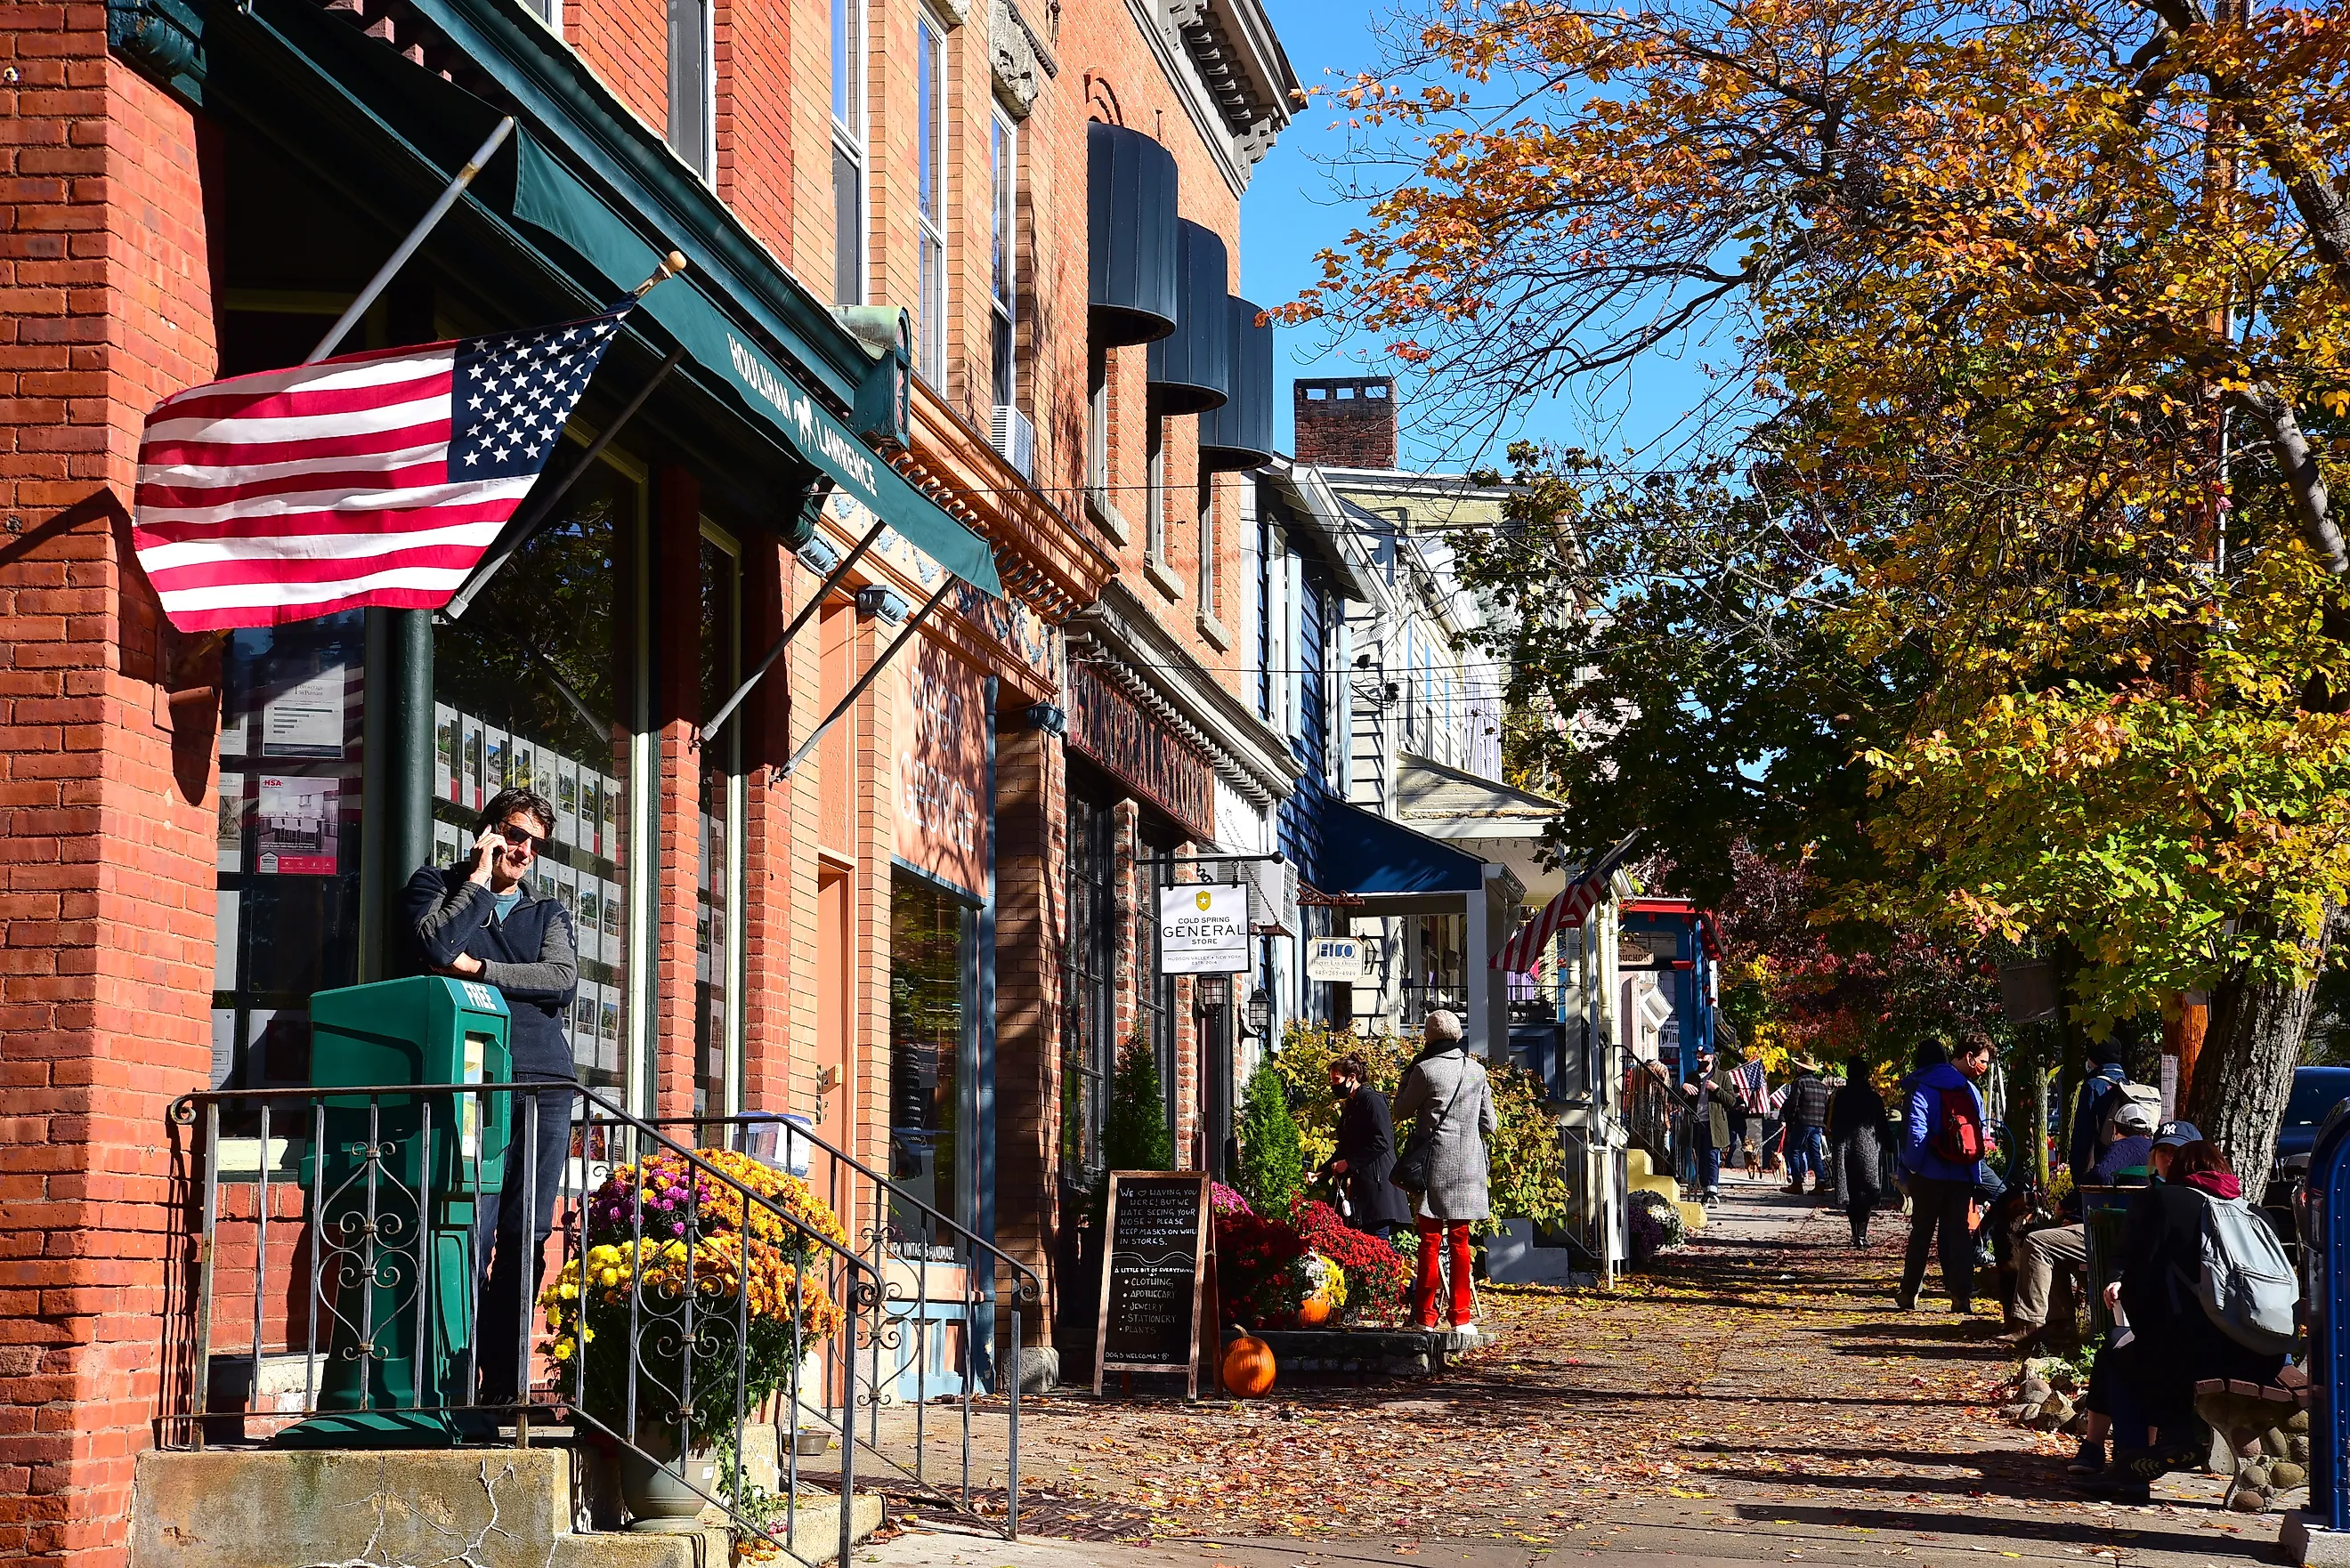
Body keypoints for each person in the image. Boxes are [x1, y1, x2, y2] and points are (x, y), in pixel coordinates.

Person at [404, 786, 579, 1407]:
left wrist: (479, 970)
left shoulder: (548, 914)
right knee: (467, 1225)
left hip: (544, 1085)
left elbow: (560, 981)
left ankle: (504, 1387)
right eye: (514, 834)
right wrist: (477, 882)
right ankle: (451, 1384)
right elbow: (432, 945)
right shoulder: (437, 885)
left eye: (535, 842)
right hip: (470, 1079)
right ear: (487, 832)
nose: (524, 850)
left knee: (526, 1233)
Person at [2081, 1137, 2292, 1501]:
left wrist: (2138, 1326)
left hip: (2198, 1353)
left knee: (2120, 1359)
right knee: (2154, 1353)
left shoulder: (2162, 1200)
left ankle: (2133, 1469)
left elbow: (2140, 1282)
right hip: (2265, 1354)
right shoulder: (2258, 1214)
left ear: (2177, 1170)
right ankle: (2175, 1435)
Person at [2002, 1096, 2157, 1352]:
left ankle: (2030, 1324)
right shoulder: (2153, 1150)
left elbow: (2099, 1176)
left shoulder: (2124, 1147)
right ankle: (2059, 1326)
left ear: (2117, 1129)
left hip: (2107, 1235)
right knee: (2056, 1250)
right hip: (2141, 1241)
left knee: (2038, 1242)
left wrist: (2066, 1204)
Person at [1391, 1011, 1497, 1333]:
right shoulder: (1476, 1071)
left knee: (1430, 1241)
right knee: (1461, 1242)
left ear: (1429, 1037)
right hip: (1468, 1166)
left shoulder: (1425, 1070)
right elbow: (1489, 1123)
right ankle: (1462, 1319)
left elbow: (1400, 1111)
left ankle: (1424, 1318)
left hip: (1435, 1164)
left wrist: (1408, 1075)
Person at [1898, 1032, 1995, 1313]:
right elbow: (1979, 1134)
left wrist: (1911, 1167)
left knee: (1922, 1233)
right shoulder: (1969, 1089)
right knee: (1959, 1235)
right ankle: (1961, 1296)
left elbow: (1917, 1133)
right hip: (1962, 1174)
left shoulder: (1922, 1088)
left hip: (1929, 1174)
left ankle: (1910, 1293)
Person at [1324, 1052, 1411, 1241]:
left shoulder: (1372, 1101)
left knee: (1378, 1246)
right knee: (1368, 1247)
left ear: (1352, 1078)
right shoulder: (1352, 1105)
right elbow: (1346, 1148)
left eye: (1335, 1079)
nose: (1333, 1084)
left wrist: (1349, 1163)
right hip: (1364, 1191)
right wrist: (1321, 1173)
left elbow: (1383, 1141)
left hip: (1379, 1188)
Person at [1826, 1057, 1886, 1246]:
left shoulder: (1840, 1096)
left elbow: (1831, 1122)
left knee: (1850, 1191)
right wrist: (1887, 1145)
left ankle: (1855, 1234)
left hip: (1845, 1146)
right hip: (1869, 1148)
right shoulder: (1874, 1097)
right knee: (1866, 1192)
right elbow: (1882, 1125)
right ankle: (1862, 1234)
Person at [2068, 1038, 2130, 1183]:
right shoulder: (2128, 1086)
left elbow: (2083, 1134)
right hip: (2124, 1164)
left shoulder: (2093, 1086)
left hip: (2100, 1167)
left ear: (2095, 1058)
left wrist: (2077, 1173)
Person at [1681, 1046, 1730, 1205]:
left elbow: (1731, 1101)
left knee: (1711, 1156)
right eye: (1698, 1056)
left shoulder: (1722, 1077)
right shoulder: (1691, 1076)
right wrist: (1682, 1088)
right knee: (1700, 1158)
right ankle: (1705, 1190)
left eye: (1703, 1056)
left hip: (1714, 1124)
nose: (1700, 1058)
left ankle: (1712, 1190)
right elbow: (1678, 1098)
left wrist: (1716, 1089)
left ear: (1711, 1057)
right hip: (1696, 1123)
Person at [1782, 1060, 1833, 1196]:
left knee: (1794, 1150)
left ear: (1800, 1068)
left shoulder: (1800, 1082)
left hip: (1802, 1122)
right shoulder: (1822, 1086)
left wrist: (1790, 1119)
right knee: (1815, 1153)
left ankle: (1797, 1183)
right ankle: (1820, 1183)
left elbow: (1793, 1103)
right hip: (1818, 1124)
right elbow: (1826, 1107)